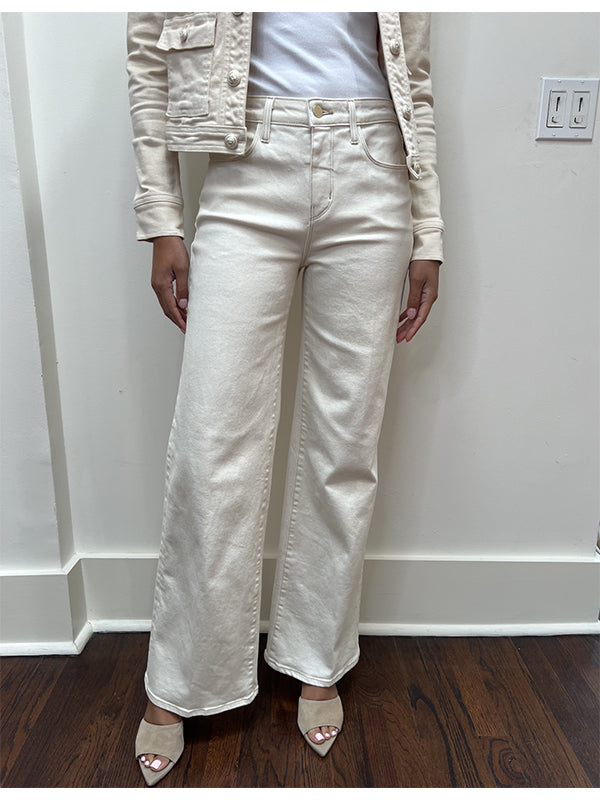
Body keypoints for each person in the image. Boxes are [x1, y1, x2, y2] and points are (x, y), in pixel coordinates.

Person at [126, 11, 444, 786]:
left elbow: (415, 78)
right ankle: (181, 679)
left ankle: (317, 660)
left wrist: (429, 229)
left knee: (344, 446)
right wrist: (162, 216)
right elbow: (148, 59)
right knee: (210, 444)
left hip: (375, 168)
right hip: (246, 168)